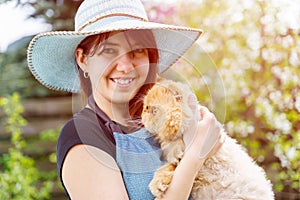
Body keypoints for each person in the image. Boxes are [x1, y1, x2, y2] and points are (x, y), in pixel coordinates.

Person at [27, 0, 225, 199]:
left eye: (137, 50)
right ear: (83, 59)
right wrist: (194, 156)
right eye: (109, 50)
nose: (125, 66)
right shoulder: (83, 136)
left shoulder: (160, 122)